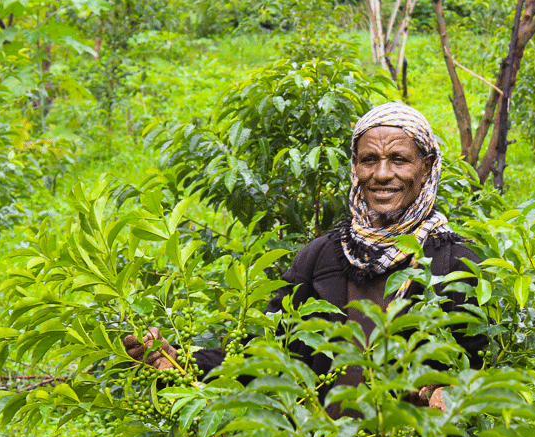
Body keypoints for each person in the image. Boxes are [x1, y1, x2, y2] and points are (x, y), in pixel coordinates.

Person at [124, 102, 485, 417]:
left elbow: (479, 372)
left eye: (399, 159)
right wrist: (183, 361)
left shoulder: (454, 264)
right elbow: (267, 358)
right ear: (354, 167)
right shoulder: (321, 257)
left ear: (427, 167)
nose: (382, 174)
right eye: (368, 160)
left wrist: (447, 391)